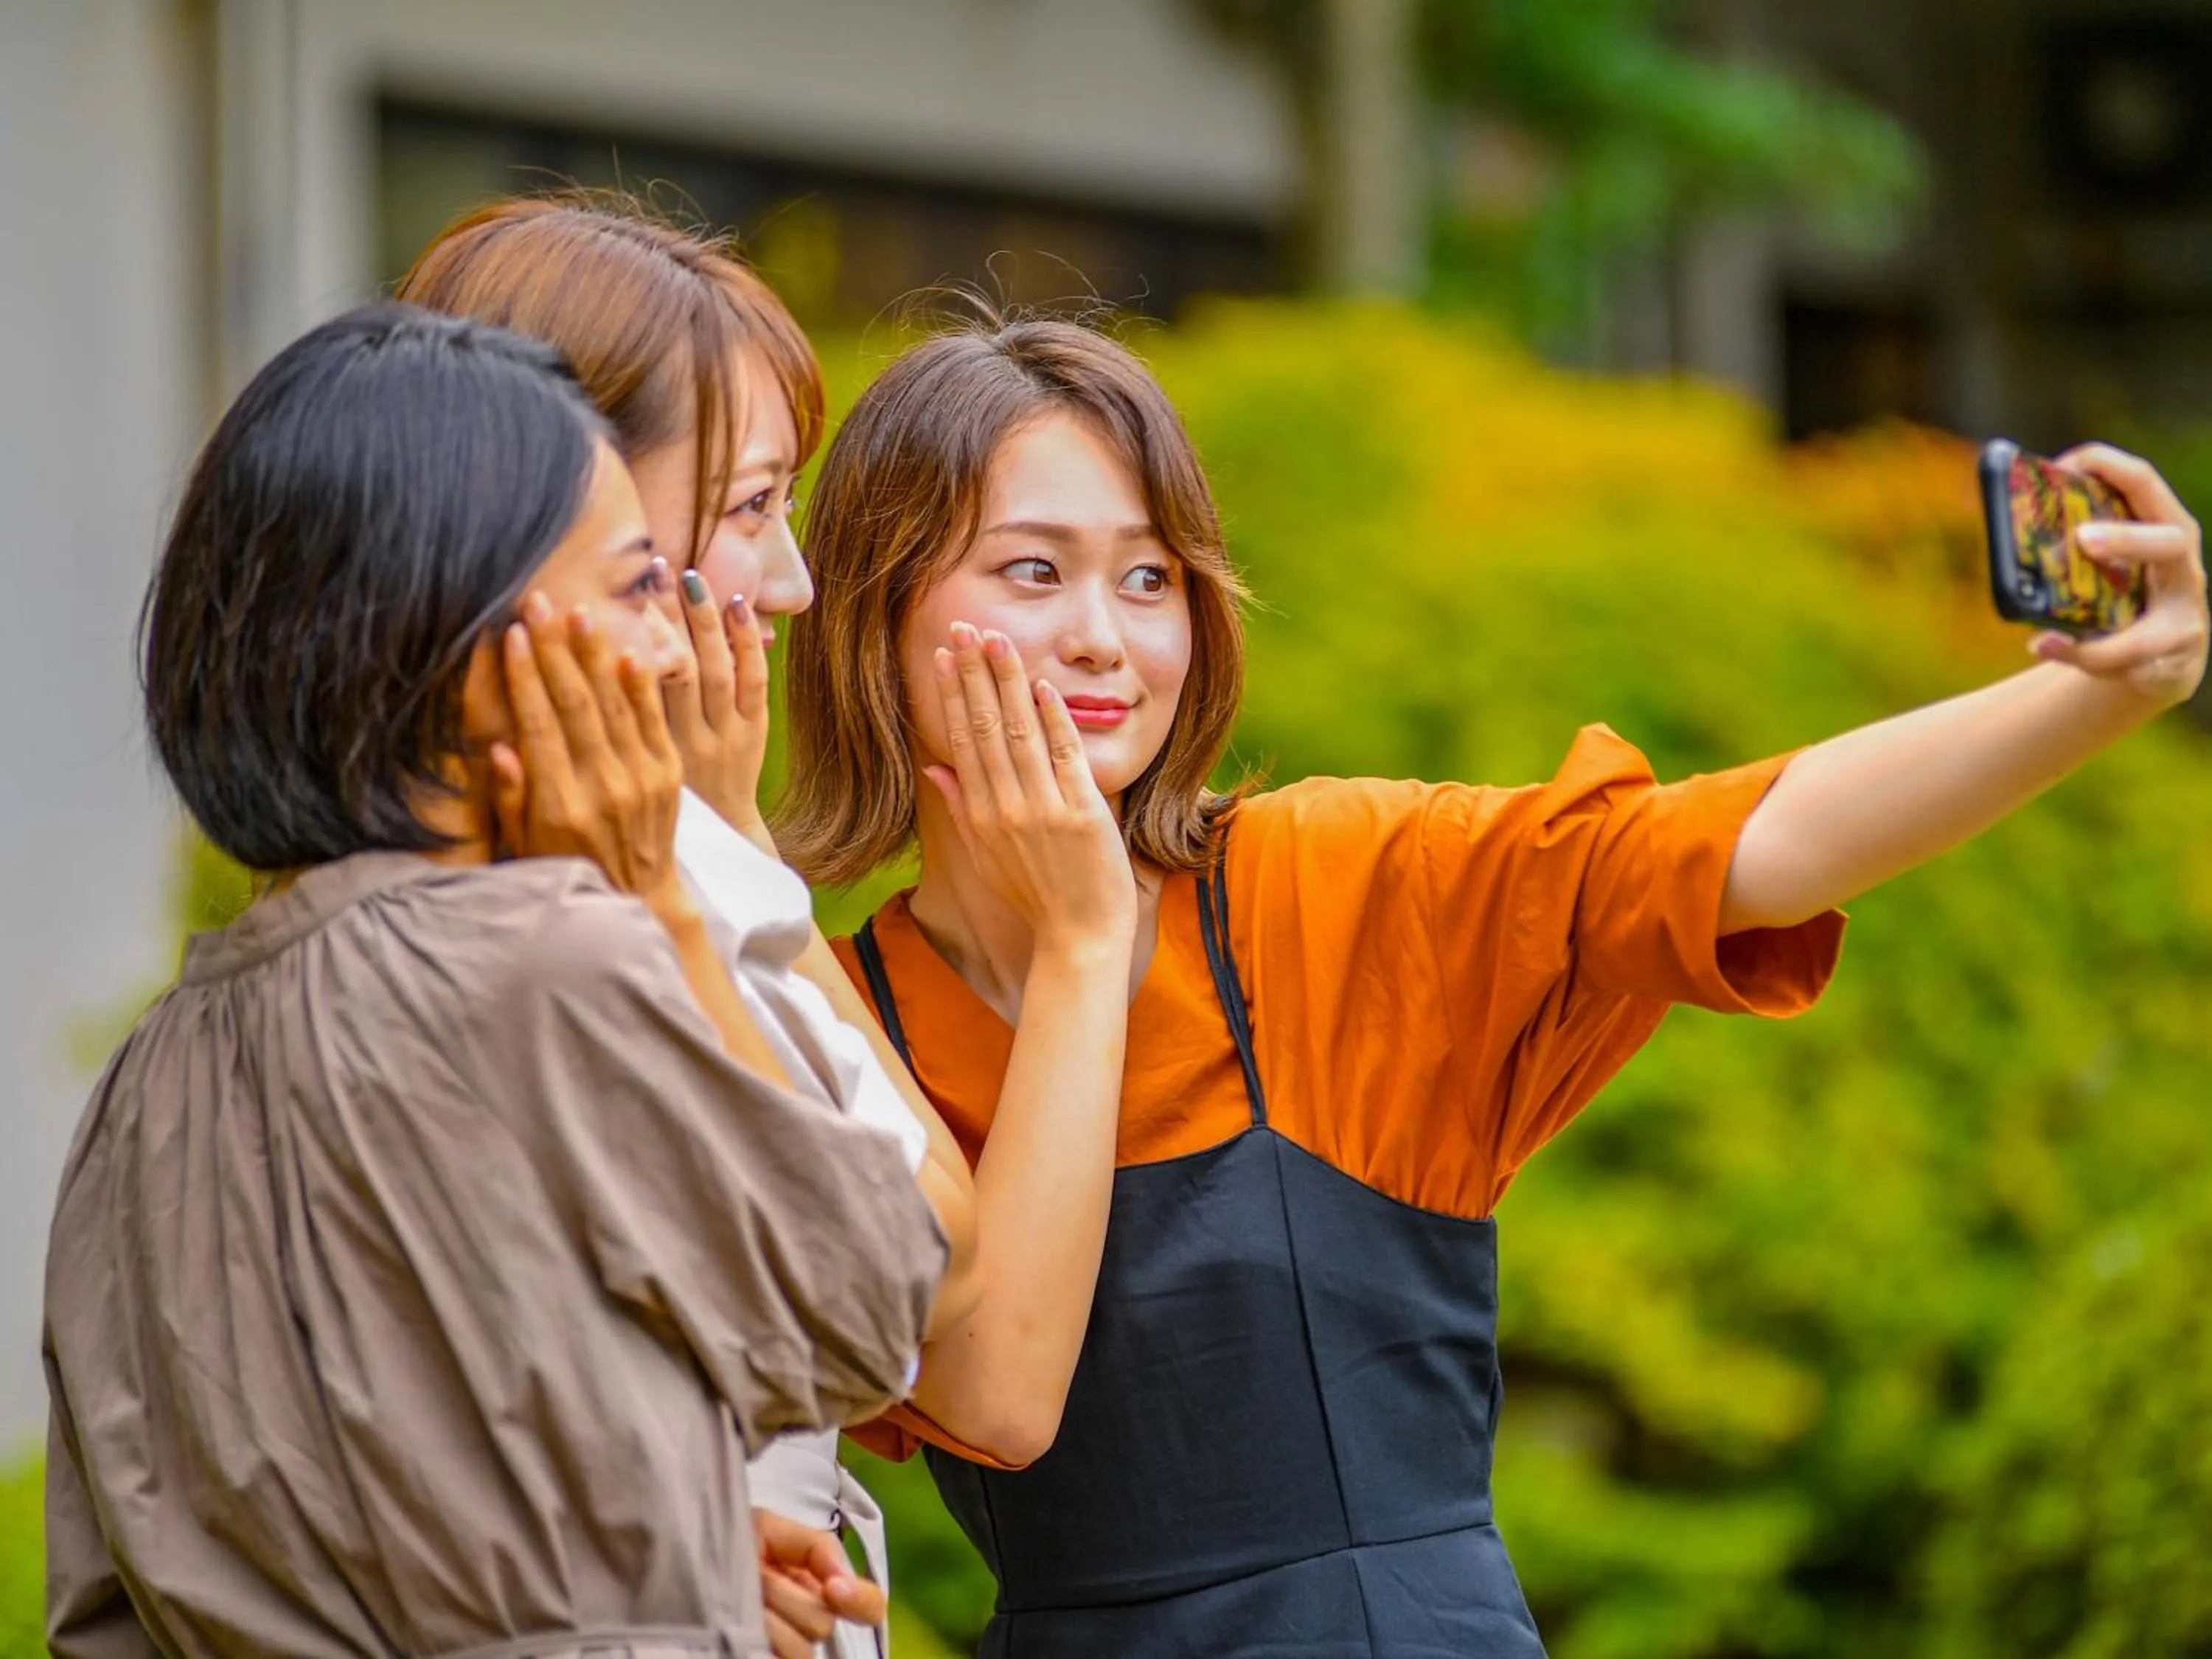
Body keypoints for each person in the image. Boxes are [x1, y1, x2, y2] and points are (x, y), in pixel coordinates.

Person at [775, 310, 2211, 1657]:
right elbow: (962, 1400)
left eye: (1149, 578)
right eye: (1035, 571)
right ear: (876, 615)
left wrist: (2100, 691)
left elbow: (1741, 846)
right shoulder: (830, 1014)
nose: (1107, 634)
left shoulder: (1317, 885)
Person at [44, 304, 965, 1659]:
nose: (675, 647)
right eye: (640, 585)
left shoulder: (152, 1072)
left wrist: (662, 1547)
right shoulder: (558, 958)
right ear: (475, 648)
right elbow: (871, 1303)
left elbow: (127, 1594)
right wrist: (658, 891)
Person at [394, 198, 1137, 1658]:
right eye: (748, 510)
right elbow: (925, 1264)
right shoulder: (552, 884)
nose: (794, 584)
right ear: (553, 507)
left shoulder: (656, 838)